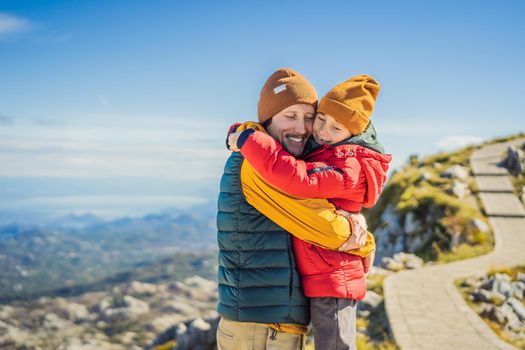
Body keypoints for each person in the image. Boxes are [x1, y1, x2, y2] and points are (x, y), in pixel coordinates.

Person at [227, 74, 392, 349]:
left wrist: (247, 136)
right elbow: (326, 225)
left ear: (353, 135)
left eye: (308, 117)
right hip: (261, 324)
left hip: (329, 281)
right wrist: (247, 136)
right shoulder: (258, 166)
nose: (317, 130)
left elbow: (301, 181)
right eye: (321, 119)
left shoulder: (341, 163)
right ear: (266, 119)